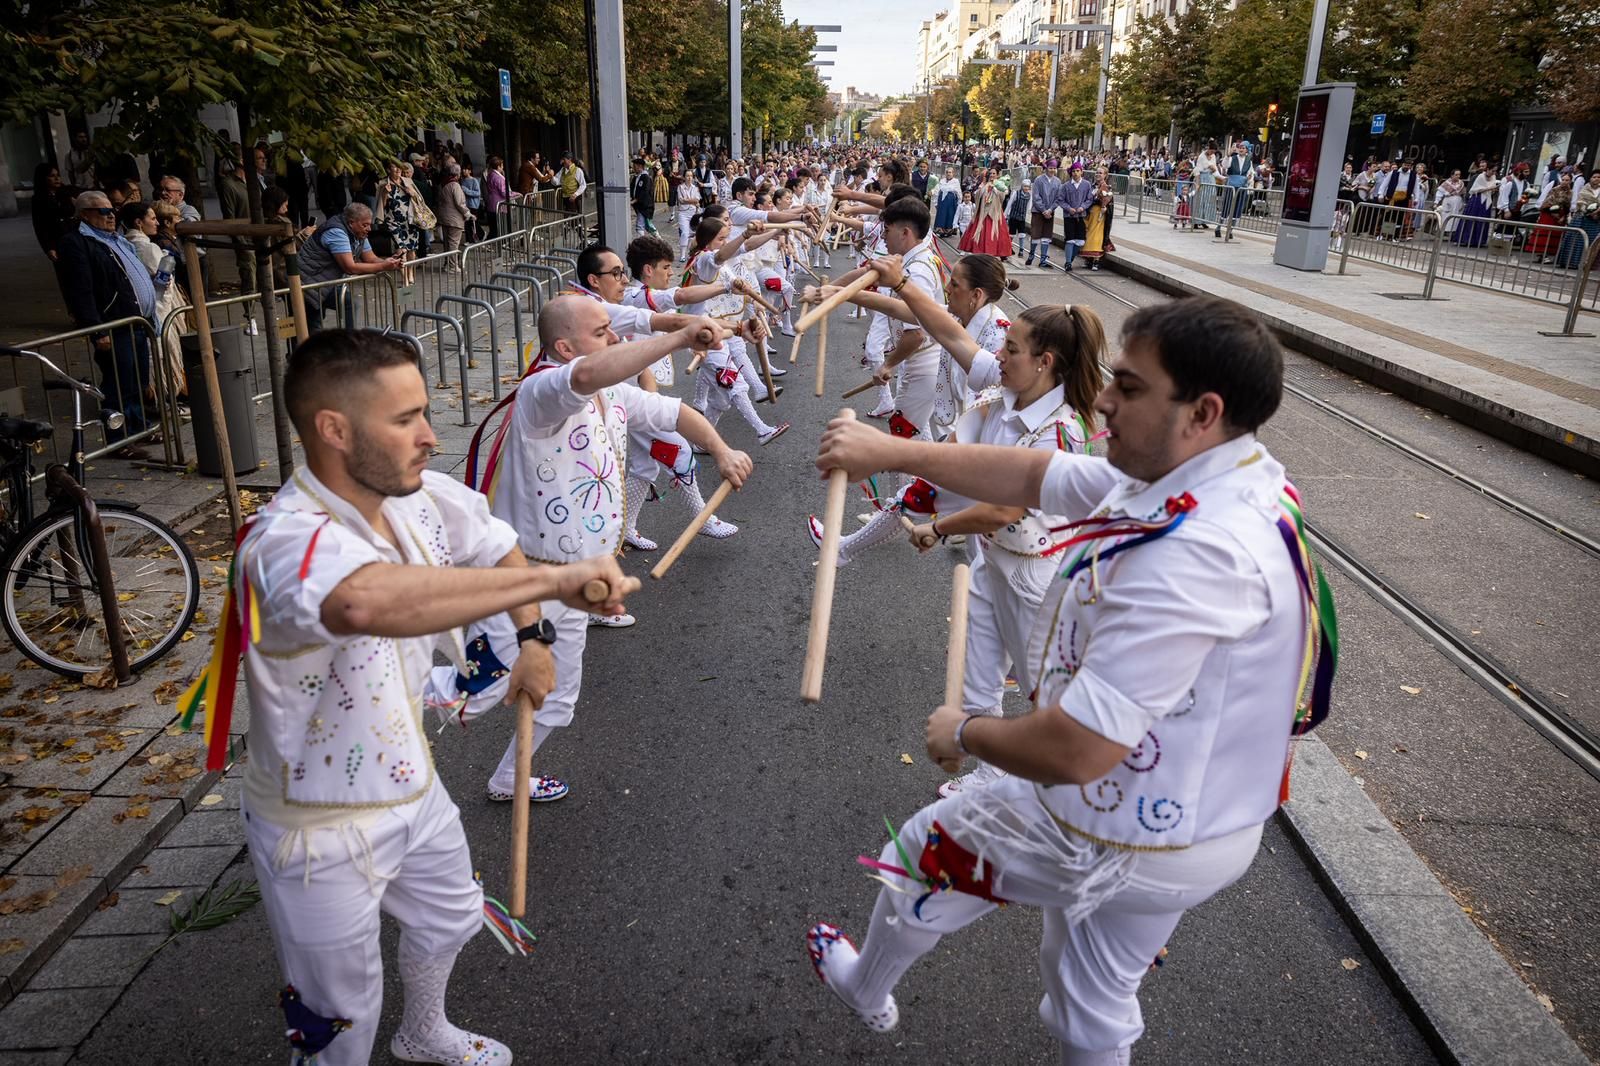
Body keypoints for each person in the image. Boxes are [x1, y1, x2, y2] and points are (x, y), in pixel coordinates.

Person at [804, 294, 1334, 1066]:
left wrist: (965, 732)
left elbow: (1077, 749)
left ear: (1203, 411)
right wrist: (894, 454)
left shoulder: (1196, 550)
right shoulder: (1217, 474)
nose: (1106, 401)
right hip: (1198, 825)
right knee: (1091, 997)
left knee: (930, 848)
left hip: (1122, 828)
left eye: (1130, 386)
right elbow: (1039, 473)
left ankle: (864, 986)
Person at [219, 328, 637, 1066]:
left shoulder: (418, 496)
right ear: (334, 430)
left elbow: (493, 538)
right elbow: (363, 603)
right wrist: (551, 580)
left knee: (449, 917)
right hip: (317, 827)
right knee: (338, 1015)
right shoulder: (282, 541)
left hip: (412, 785)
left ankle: (424, 1033)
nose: (428, 434)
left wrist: (534, 636)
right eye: (406, 418)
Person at [466, 297, 753, 803]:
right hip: (522, 580)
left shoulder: (614, 395)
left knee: (557, 699)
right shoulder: (542, 392)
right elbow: (586, 374)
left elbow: (677, 411)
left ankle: (506, 777)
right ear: (564, 347)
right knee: (472, 690)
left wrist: (724, 450)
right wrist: (681, 337)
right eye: (602, 331)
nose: (615, 337)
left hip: (579, 582)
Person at [54, 191, 155, 456]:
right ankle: (119, 439)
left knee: (136, 379)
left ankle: (138, 428)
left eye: (112, 210)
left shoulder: (116, 238)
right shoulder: (77, 243)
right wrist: (97, 330)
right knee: (118, 383)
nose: (111, 215)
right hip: (113, 324)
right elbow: (80, 290)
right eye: (103, 211)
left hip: (136, 321)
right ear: (84, 214)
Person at [296, 203, 404, 330]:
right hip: (307, 283)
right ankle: (349, 342)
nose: (369, 229)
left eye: (369, 224)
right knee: (310, 327)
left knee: (348, 305)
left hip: (324, 283)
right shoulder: (336, 232)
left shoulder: (358, 233)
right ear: (352, 223)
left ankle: (349, 341)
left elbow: (371, 258)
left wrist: (390, 261)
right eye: (365, 225)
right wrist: (383, 266)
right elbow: (350, 267)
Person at [376, 160, 423, 260]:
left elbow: (419, 201)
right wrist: (384, 194)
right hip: (393, 222)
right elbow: (381, 206)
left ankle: (410, 274)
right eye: (394, 167)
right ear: (389, 170)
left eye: (400, 167)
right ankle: (405, 276)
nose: (398, 170)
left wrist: (412, 194)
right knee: (401, 250)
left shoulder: (408, 181)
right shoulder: (383, 184)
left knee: (412, 249)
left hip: (410, 220)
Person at [30, 163, 72, 262]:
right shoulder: (39, 199)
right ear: (43, 178)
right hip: (58, 241)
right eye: (52, 176)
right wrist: (49, 248)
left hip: (74, 237)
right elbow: (40, 226)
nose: (57, 179)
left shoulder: (66, 193)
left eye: (58, 175)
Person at [1059, 163, 1095, 271]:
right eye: (1074, 171)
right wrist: (1068, 208)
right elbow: (1061, 200)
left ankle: (1071, 256)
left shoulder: (1086, 185)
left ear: (1081, 172)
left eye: (1078, 171)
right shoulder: (1065, 186)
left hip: (1081, 215)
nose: (1076, 173)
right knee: (1070, 239)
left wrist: (1083, 207)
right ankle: (1068, 262)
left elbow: (1089, 199)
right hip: (1069, 216)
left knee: (1080, 240)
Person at [1027, 161, 1062, 268]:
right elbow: (1036, 197)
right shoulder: (1039, 180)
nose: (1052, 170)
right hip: (1038, 211)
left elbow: (1058, 198)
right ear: (1046, 168)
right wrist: (1043, 210)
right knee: (1035, 234)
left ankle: (1043, 259)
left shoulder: (1057, 182)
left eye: (1054, 168)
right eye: (1050, 168)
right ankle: (1031, 254)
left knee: (1046, 235)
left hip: (1050, 212)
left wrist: (1050, 210)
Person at [435, 163, 470, 262]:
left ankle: (448, 264)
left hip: (445, 217)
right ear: (458, 174)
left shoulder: (444, 184)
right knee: (453, 243)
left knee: (447, 243)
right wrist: (467, 213)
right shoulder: (455, 185)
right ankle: (452, 266)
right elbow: (459, 203)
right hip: (454, 219)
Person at [630, 157, 657, 237]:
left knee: (639, 226)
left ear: (640, 166)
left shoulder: (646, 178)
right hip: (639, 206)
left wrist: (636, 200)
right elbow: (632, 189)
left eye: (635, 166)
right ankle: (659, 239)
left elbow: (645, 192)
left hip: (645, 205)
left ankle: (641, 244)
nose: (633, 168)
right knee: (648, 226)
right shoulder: (636, 177)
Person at [932, 167, 962, 236]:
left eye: (950, 172)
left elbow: (959, 193)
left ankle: (948, 231)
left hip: (951, 202)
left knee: (950, 215)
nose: (948, 174)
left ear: (953, 173)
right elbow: (937, 191)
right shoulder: (942, 180)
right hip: (942, 202)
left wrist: (959, 203)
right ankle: (940, 230)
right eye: (947, 172)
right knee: (941, 215)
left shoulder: (956, 181)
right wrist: (935, 202)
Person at [460, 162, 483, 243]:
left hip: (473, 205)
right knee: (467, 223)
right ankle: (469, 240)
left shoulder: (474, 180)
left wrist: (466, 191)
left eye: (466, 169)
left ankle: (481, 234)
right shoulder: (463, 180)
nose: (463, 171)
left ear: (470, 171)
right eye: (463, 169)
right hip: (465, 204)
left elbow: (478, 193)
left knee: (473, 222)